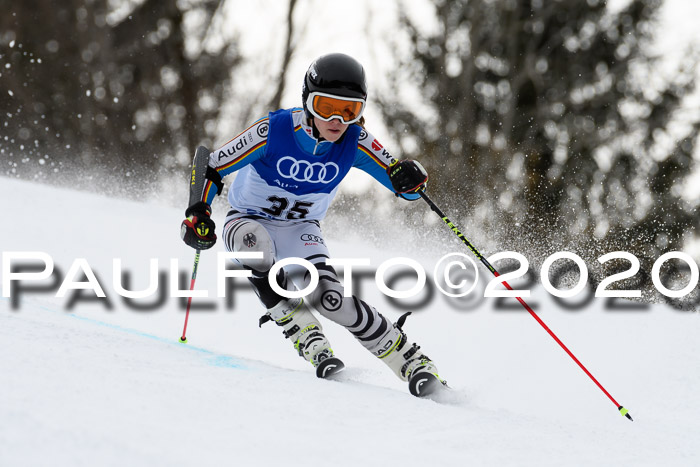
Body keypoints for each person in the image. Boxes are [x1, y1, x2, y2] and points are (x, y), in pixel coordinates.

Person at [180, 53, 445, 396]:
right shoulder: (273, 131)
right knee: (255, 246)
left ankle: (410, 360)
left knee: (330, 299)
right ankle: (298, 326)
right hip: (247, 218)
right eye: (325, 107)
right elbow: (213, 166)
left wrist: (413, 178)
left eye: (350, 111)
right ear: (307, 103)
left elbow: (404, 187)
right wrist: (198, 211)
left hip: (301, 227)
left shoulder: (356, 142)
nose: (337, 120)